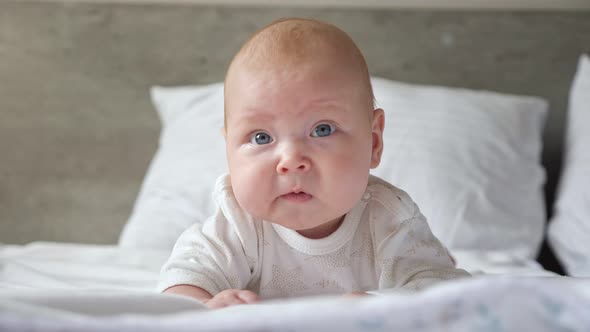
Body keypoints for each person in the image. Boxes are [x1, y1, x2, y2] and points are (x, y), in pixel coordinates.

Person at [158, 17, 469, 309]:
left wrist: (381, 304)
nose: (291, 161)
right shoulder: (238, 223)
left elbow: (443, 291)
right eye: (262, 137)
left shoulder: (389, 218)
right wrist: (207, 307)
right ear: (228, 150)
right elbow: (180, 284)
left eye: (322, 130)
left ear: (373, 142)